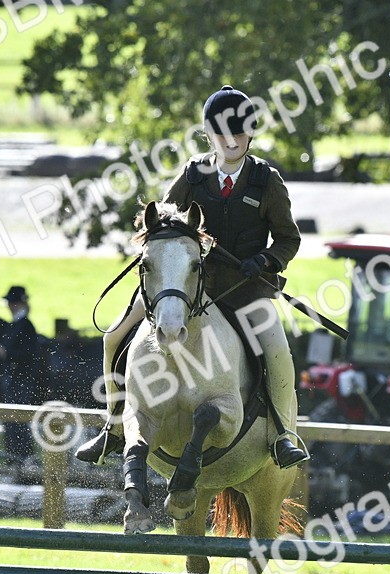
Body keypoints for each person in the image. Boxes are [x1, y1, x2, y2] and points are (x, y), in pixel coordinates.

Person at [75, 85, 308, 468]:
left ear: (250, 135)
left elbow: (288, 239)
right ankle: (114, 428)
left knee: (278, 351)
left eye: (238, 134)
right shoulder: (194, 174)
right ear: (209, 136)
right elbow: (162, 219)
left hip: (245, 289)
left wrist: (265, 260)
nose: (230, 141)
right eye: (221, 134)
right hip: (186, 287)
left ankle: (282, 435)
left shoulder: (266, 181)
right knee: (113, 336)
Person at [0, 286, 44, 463]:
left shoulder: (26, 326)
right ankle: (14, 460)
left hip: (22, 381)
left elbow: (29, 354)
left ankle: (22, 459)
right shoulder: (14, 325)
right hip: (11, 381)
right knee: (10, 422)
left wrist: (4, 352)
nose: (11, 306)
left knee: (18, 421)